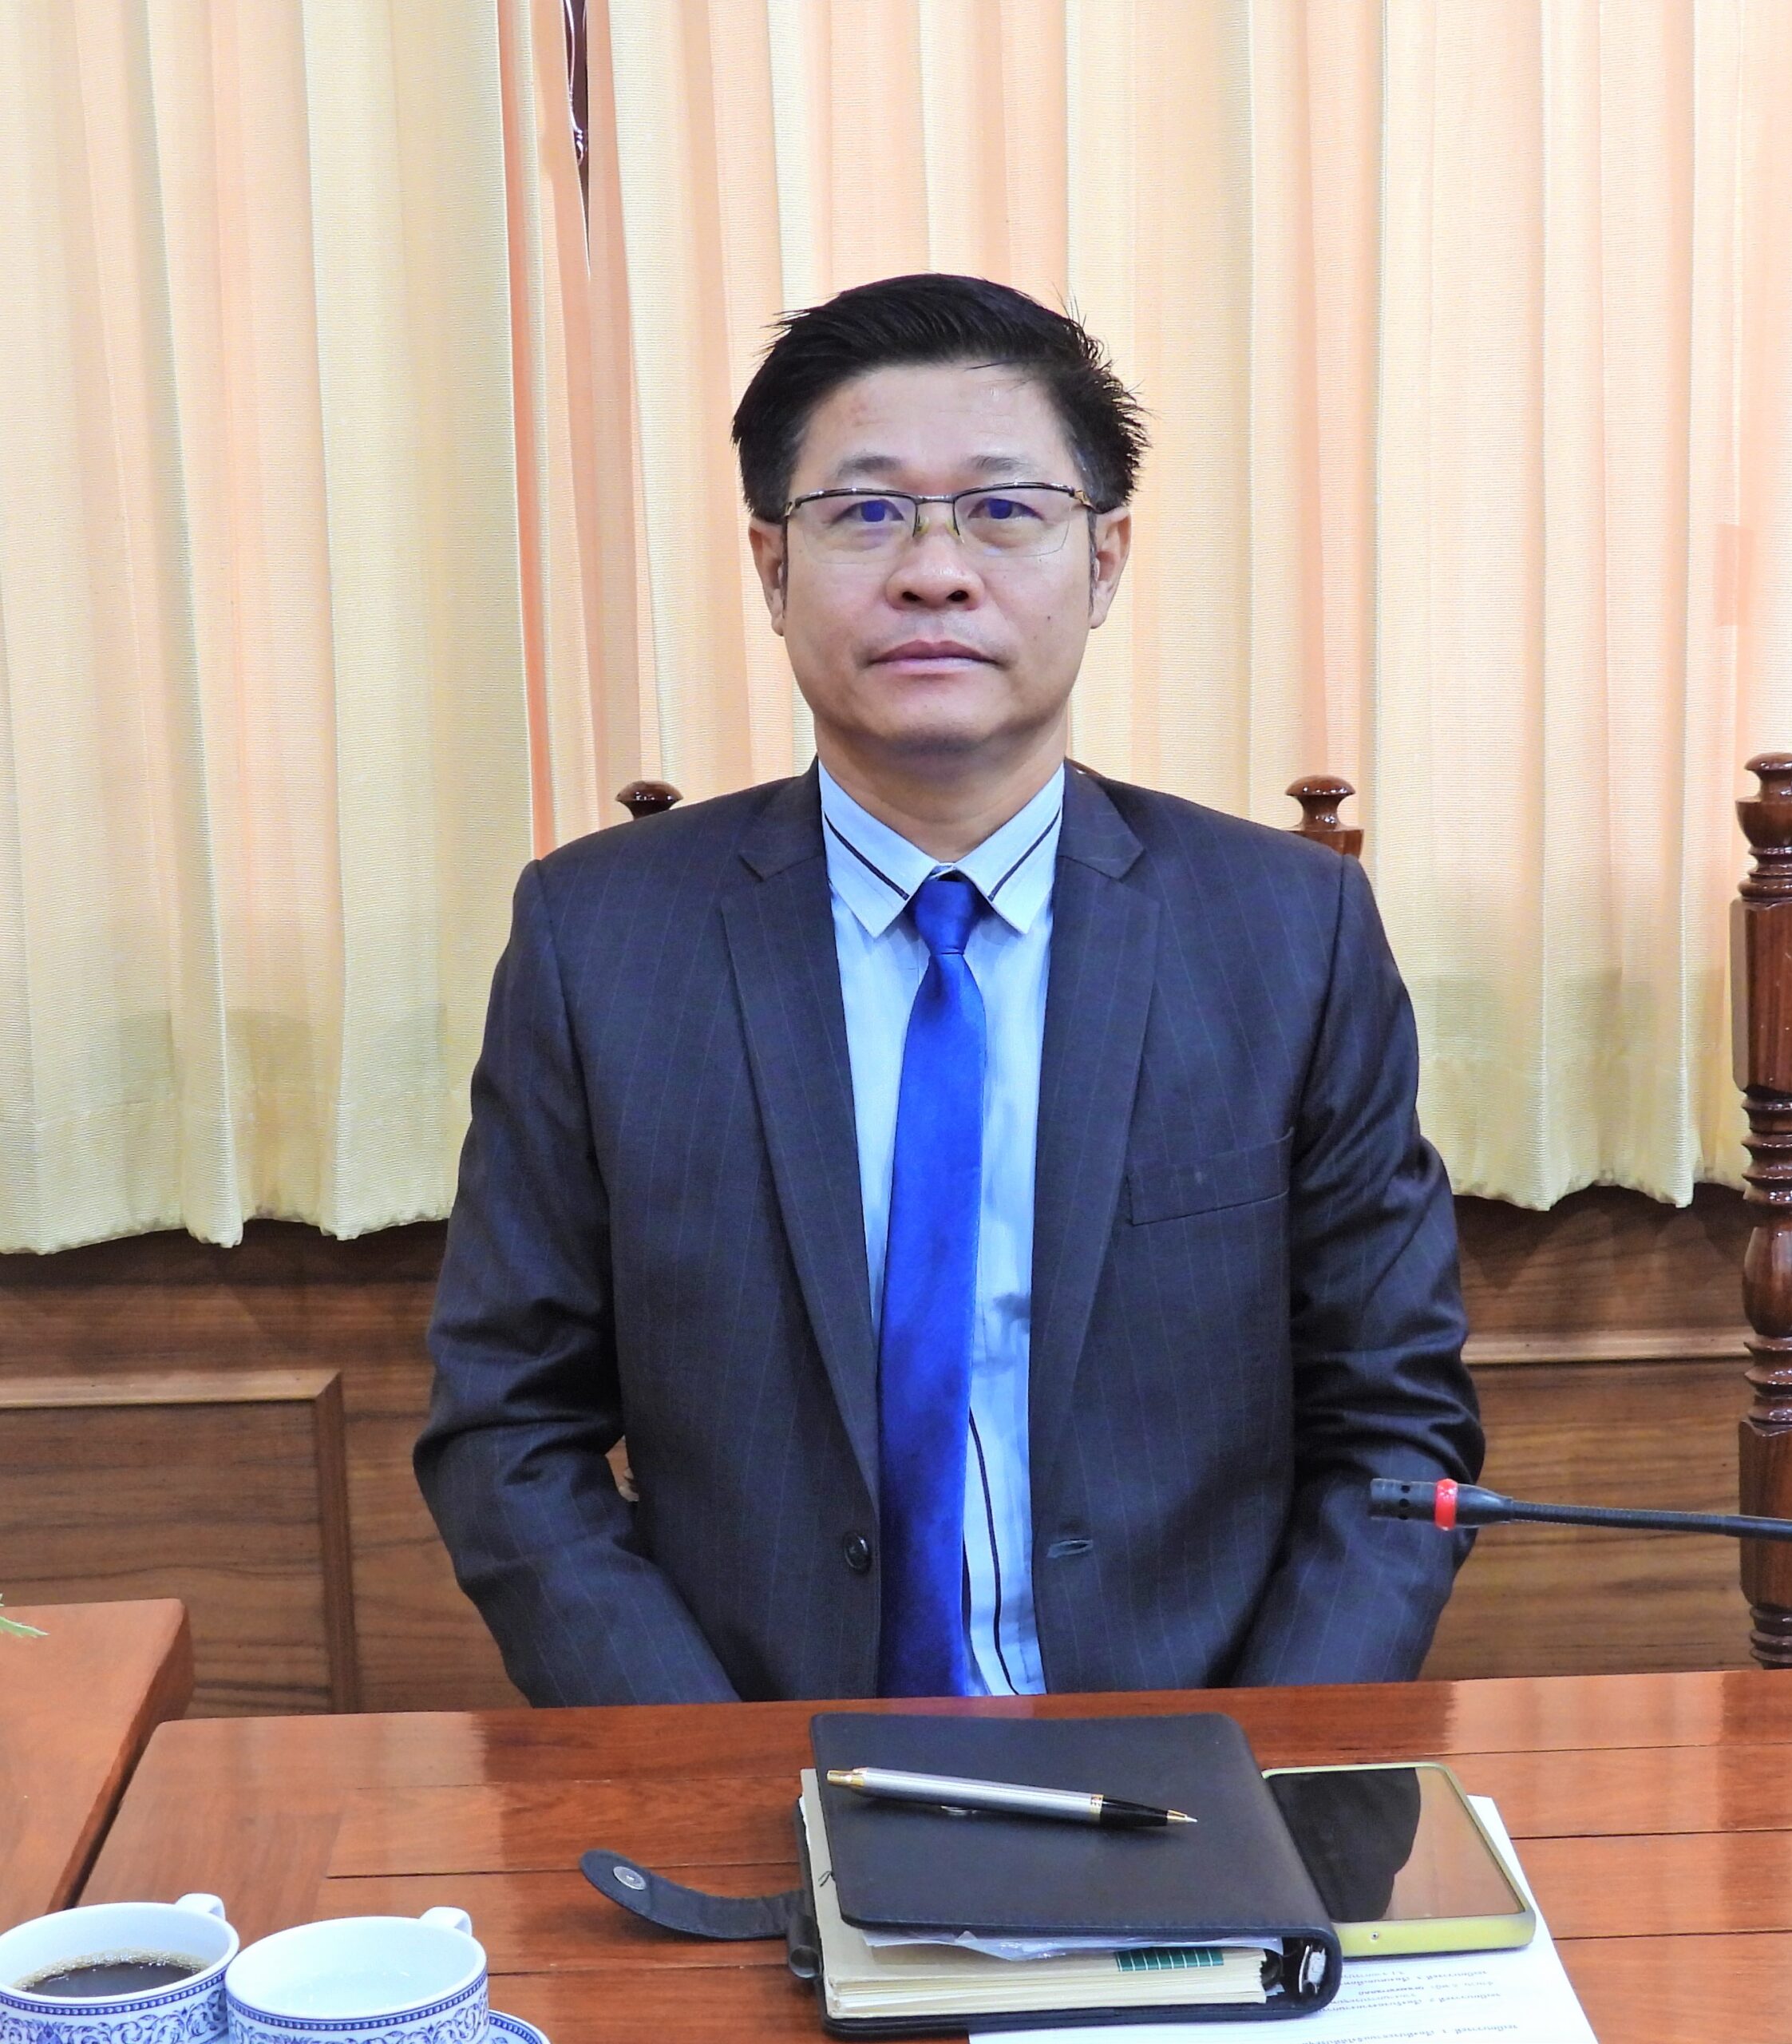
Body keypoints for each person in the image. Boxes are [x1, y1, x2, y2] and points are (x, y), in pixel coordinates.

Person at [416, 272, 1482, 1707]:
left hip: (1186, 1749)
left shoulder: (1289, 934)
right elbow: (507, 1429)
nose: (934, 571)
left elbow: (1395, 1430)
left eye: (1003, 509)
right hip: (755, 1750)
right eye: (864, 512)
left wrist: (1256, 1765)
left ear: (1103, 559)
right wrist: (699, 1768)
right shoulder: (599, 942)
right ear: (772, 567)